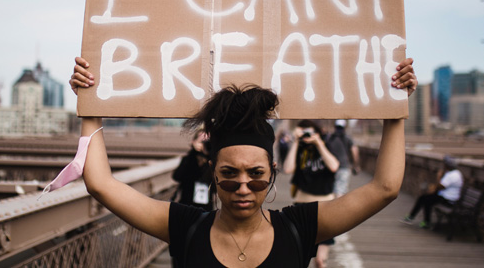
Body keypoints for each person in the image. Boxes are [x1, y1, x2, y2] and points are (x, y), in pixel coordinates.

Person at [69, 56, 416, 267]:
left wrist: (394, 109)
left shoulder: (300, 227)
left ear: (274, 173)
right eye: (229, 175)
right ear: (213, 174)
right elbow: (100, 184)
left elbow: (385, 188)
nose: (244, 187)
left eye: (257, 175)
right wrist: (90, 105)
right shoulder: (185, 226)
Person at [282, 120, 338, 268]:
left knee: (320, 261)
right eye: (303, 131)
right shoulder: (299, 148)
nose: (307, 135)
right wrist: (295, 141)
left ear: (318, 132)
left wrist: (318, 143)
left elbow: (334, 166)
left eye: (309, 132)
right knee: (300, 259)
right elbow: (287, 169)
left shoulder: (327, 144)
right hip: (302, 206)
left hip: (326, 206)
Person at [402, 155, 463, 229]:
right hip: (446, 196)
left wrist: (439, 176)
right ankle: (415, 218)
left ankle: (421, 220)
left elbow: (441, 186)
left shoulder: (452, 175)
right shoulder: (455, 173)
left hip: (448, 199)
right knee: (424, 198)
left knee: (425, 200)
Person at [172, 129, 214, 210]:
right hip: (187, 204)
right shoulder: (188, 159)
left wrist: (209, 156)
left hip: (206, 206)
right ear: (193, 142)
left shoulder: (211, 162)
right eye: (202, 142)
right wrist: (193, 153)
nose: (204, 145)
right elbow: (176, 176)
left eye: (207, 142)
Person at [329, 119, 358, 198]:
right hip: (344, 166)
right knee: (341, 189)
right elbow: (354, 151)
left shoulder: (330, 138)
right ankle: (339, 208)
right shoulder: (348, 138)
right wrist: (355, 165)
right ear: (344, 127)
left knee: (332, 189)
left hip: (331, 167)